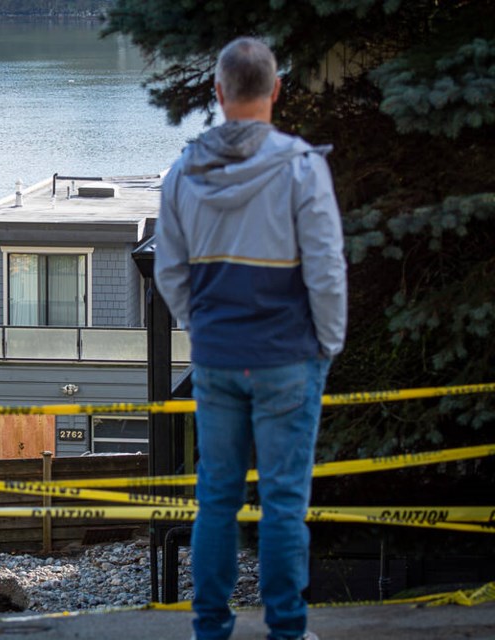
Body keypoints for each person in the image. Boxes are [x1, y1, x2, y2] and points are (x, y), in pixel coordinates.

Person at [154, 37, 347, 640]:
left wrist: (202, 328)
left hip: (217, 357)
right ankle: (286, 630)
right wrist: (328, 345)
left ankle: (210, 628)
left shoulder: (183, 171)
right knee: (284, 502)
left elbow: (169, 271)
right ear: (276, 90)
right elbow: (325, 268)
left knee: (217, 497)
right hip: (289, 357)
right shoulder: (300, 167)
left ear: (219, 93)